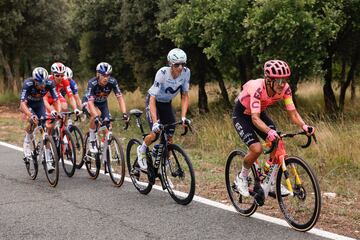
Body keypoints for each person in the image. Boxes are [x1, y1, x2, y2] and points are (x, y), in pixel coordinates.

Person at [233, 59, 315, 197]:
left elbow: (293, 113)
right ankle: (241, 177)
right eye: (278, 80)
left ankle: (269, 182)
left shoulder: (286, 89)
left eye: (284, 80)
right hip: (243, 115)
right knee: (257, 149)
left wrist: (304, 125)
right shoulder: (258, 88)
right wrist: (269, 131)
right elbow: (254, 118)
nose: (282, 84)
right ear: (269, 79)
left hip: (259, 113)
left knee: (278, 142)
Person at [136, 48, 191, 170]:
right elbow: (152, 99)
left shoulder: (186, 73)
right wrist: (155, 122)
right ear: (171, 64)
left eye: (183, 64)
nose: (180, 67)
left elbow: (185, 95)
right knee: (156, 133)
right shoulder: (162, 73)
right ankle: (142, 149)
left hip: (166, 103)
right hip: (154, 101)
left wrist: (183, 117)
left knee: (170, 136)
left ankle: (164, 161)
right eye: (177, 65)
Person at [19, 67, 60, 171]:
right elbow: (22, 103)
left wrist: (56, 111)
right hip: (28, 104)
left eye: (44, 82)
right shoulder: (28, 84)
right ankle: (27, 141)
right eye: (40, 83)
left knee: (44, 130)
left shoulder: (50, 83)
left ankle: (48, 159)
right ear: (35, 81)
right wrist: (29, 114)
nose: (42, 85)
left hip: (39, 104)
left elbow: (56, 100)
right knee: (33, 120)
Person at [83, 62, 129, 153]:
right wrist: (96, 117)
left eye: (108, 75)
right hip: (89, 102)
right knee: (96, 115)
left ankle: (103, 146)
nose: (106, 78)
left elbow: (120, 98)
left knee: (108, 123)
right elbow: (91, 103)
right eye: (103, 75)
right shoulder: (92, 83)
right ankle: (92, 139)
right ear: (98, 74)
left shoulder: (112, 82)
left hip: (103, 103)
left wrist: (124, 113)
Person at [43, 62, 81, 133]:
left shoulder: (65, 80)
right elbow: (44, 99)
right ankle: (47, 139)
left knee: (65, 106)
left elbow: (71, 96)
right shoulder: (47, 80)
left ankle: (64, 128)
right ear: (52, 74)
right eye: (57, 75)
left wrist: (75, 108)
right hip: (46, 98)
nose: (60, 77)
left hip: (56, 96)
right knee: (49, 127)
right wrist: (51, 110)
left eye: (62, 75)